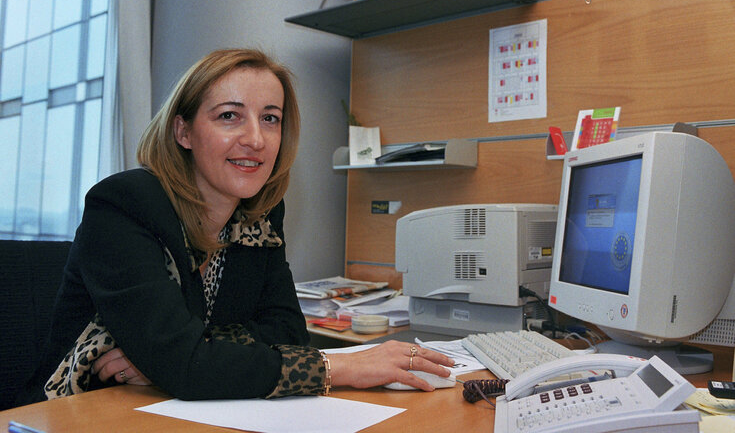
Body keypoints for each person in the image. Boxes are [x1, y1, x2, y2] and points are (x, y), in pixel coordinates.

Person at [17, 48, 453, 405]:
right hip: (80, 411)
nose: (256, 139)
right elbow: (188, 367)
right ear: (183, 132)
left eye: (270, 118)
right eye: (229, 116)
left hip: (188, 408)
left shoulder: (259, 218)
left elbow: (287, 335)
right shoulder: (125, 206)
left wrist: (170, 357)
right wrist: (339, 367)